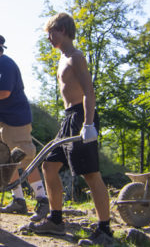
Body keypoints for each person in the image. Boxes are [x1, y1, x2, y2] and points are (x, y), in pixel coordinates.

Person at [30, 13, 113, 244]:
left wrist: (88, 124)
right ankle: (56, 220)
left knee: (90, 174)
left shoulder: (76, 57)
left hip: (80, 117)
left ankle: (104, 229)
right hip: (68, 119)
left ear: (64, 30)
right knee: (48, 166)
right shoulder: (62, 58)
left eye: (52, 32)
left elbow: (89, 92)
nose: (49, 37)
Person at [0, 33, 51, 221]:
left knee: (25, 159)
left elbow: (4, 92)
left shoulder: (5, 64)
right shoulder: (1, 64)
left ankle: (42, 200)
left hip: (15, 121)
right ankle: (18, 200)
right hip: (5, 119)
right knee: (7, 160)